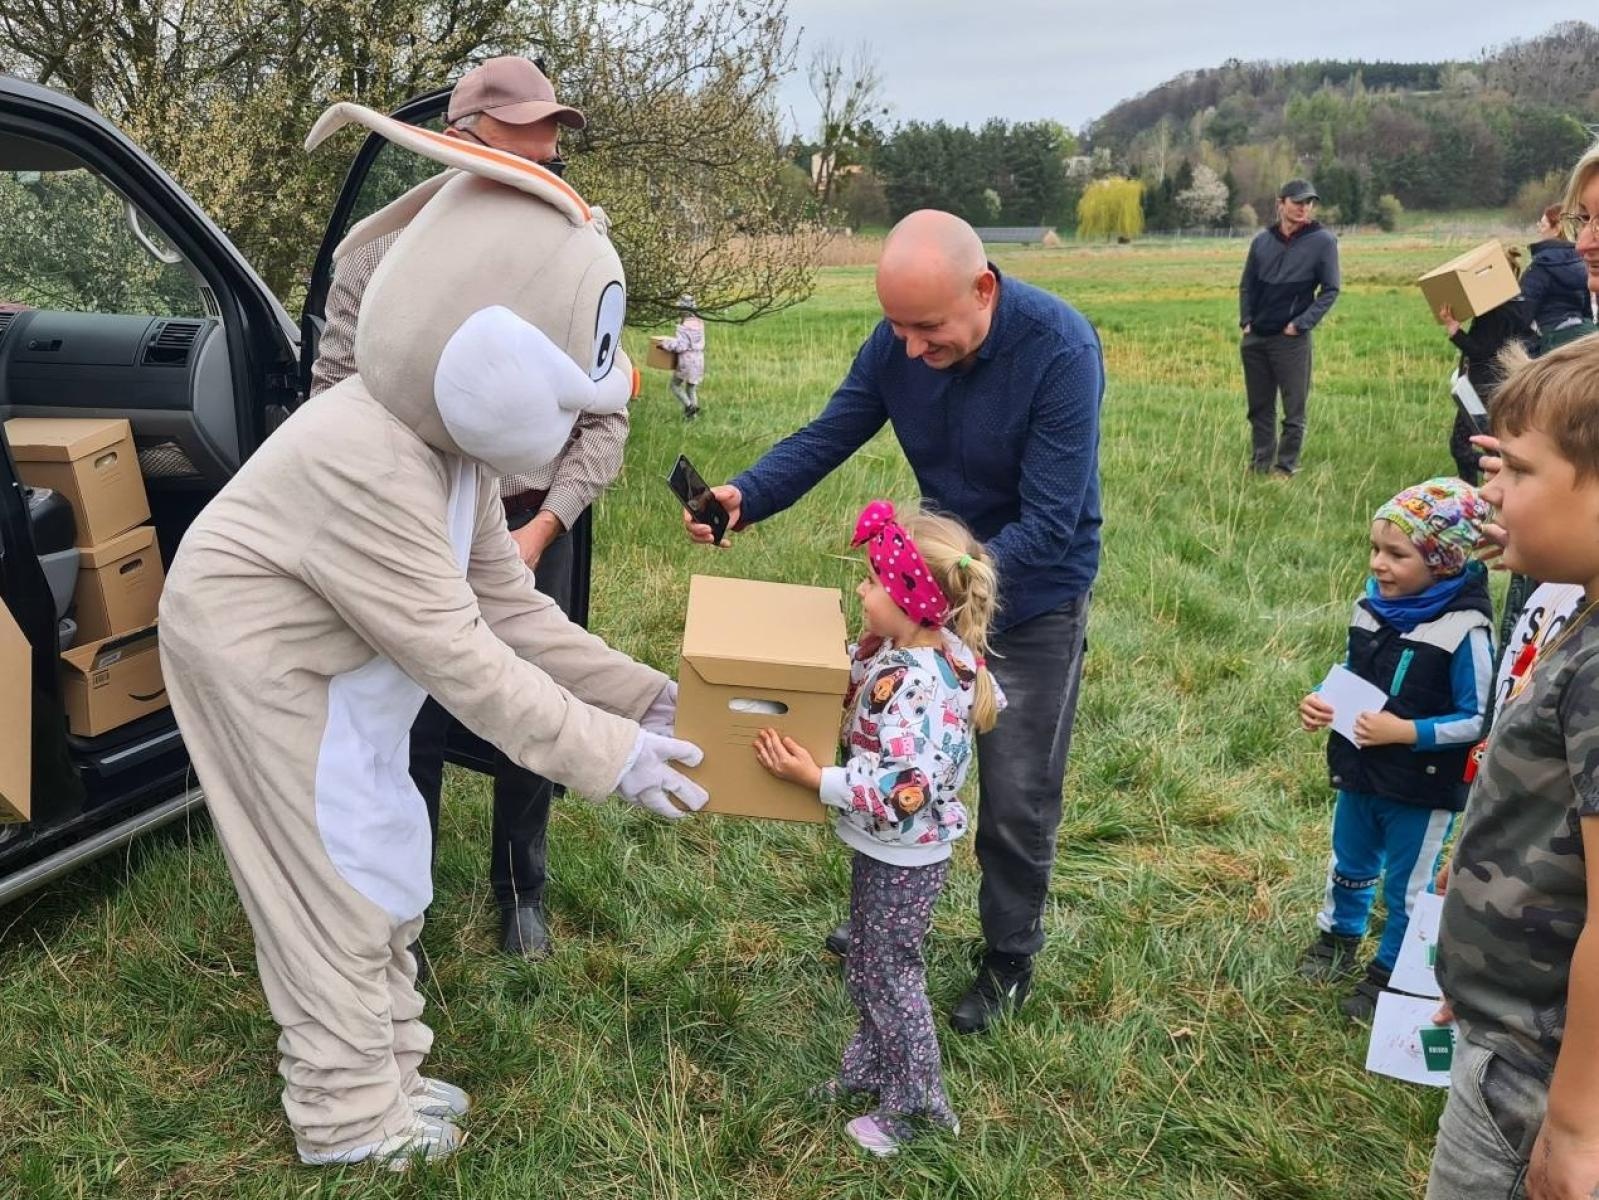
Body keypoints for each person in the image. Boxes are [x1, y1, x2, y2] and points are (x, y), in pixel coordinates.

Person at [161, 102, 707, 1168]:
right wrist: (613, 757)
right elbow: (465, 661)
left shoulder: (450, 454)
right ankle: (347, 1119)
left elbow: (512, 611)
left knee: (385, 844)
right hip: (254, 655)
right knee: (328, 877)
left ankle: (393, 1063)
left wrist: (645, 697)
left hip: (334, 650)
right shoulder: (373, 460)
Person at [684, 209, 1103, 1035]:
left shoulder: (1060, 350)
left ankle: (1007, 954)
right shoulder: (897, 343)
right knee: (891, 757)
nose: (910, 349)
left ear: (983, 289)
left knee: (1016, 792)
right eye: (897, 328)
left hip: (1030, 599)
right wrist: (748, 493)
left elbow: (1052, 521)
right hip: (924, 601)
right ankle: (884, 923)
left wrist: (935, 597)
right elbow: (833, 430)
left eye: (929, 328)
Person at [310, 56, 623, 959]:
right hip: (415, 529)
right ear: (456, 148)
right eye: (514, 157)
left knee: (538, 694)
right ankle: (407, 885)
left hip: (533, 526)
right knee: (409, 709)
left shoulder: (575, 259)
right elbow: (336, 391)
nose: (538, 181)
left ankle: (522, 883)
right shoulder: (374, 260)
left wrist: (540, 526)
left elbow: (604, 415)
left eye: (550, 163)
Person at [753, 501, 1002, 1155]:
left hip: (903, 851)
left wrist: (816, 779)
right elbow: (879, 679)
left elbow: (904, 791)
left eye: (869, 581)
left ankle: (919, 1109)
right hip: (888, 848)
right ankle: (871, 1069)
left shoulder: (916, 686)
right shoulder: (920, 648)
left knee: (890, 975)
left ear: (906, 596)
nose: (859, 590)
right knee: (868, 966)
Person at [1425, 336, 1599, 1200]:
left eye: (1519, 473)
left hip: (1537, 1083)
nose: (1489, 493)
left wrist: (1570, 1129)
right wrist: (1491, 963)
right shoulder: (1581, 608)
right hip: (1521, 1030)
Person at [1296, 478, 1494, 1021]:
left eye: (1396, 554)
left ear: (1444, 561)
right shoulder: (1371, 607)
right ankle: (1337, 937)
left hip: (1422, 783)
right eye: (1375, 549)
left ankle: (1391, 973)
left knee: (1408, 885)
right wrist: (1321, 701)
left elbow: (1478, 718)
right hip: (1360, 767)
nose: (1379, 564)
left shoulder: (1465, 631)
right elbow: (1350, 670)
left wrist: (1405, 733)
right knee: (1350, 860)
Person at [1237, 178, 1342, 477]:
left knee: (1293, 410)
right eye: (1297, 202)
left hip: (1291, 340)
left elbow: (1331, 289)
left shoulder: (1323, 241)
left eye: (1308, 202)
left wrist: (1300, 324)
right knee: (1259, 408)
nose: (1303, 208)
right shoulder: (1261, 241)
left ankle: (1285, 466)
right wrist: (1246, 321)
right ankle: (1259, 463)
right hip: (1256, 337)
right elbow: (1247, 285)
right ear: (1280, 203)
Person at [1437, 253, 1533, 485]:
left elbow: (1480, 351)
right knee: (1491, 440)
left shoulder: (1495, 312)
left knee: (1462, 447)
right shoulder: (1519, 305)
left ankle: (1473, 489)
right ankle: (1500, 480)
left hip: (1480, 387)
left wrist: (1454, 330)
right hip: (1503, 382)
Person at [1523, 203, 1593, 354]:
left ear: (1557, 229)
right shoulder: (1583, 263)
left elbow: (1522, 316)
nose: (1539, 229)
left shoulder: (1540, 266)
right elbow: (1587, 310)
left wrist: (1534, 352)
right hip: (1585, 334)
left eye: (1542, 225)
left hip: (1552, 340)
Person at [654, 294, 706, 419]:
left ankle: (689, 406)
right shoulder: (700, 324)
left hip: (686, 360)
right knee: (691, 388)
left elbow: (681, 346)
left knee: (675, 385)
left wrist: (665, 344)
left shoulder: (684, 327)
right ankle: (693, 418)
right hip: (699, 359)